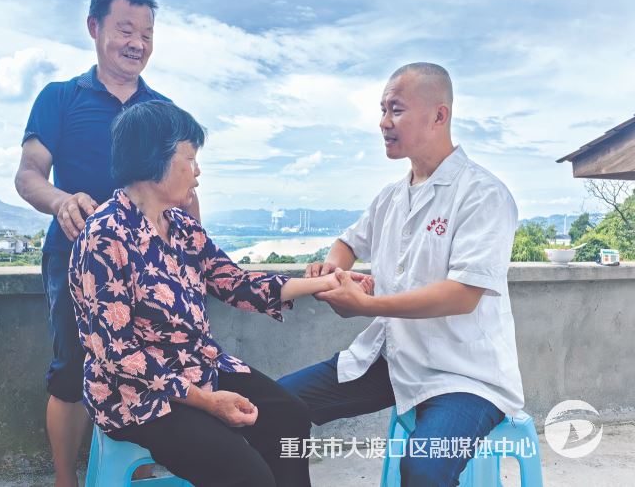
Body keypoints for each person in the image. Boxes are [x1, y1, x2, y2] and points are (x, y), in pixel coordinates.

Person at [68, 100, 373, 487]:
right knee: (247, 474)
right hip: (135, 396)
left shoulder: (181, 227)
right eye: (190, 158)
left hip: (197, 367)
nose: (197, 172)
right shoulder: (104, 237)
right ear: (154, 159)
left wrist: (326, 283)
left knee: (290, 417)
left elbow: (235, 282)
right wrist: (207, 402)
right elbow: (118, 355)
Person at [279, 62, 525, 487]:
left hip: (464, 374)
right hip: (394, 358)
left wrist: (367, 305)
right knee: (276, 407)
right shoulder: (391, 197)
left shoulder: (483, 194)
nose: (383, 122)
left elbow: (462, 294)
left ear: (438, 115)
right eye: (382, 110)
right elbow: (347, 244)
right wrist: (332, 271)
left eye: (395, 109)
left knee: (424, 467)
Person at [13, 0, 189, 486]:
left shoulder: (164, 111)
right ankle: (66, 480)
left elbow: (181, 188)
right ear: (94, 27)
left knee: (148, 366)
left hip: (148, 266)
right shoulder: (60, 98)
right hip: (74, 257)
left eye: (147, 34)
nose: (138, 43)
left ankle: (140, 472)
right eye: (126, 29)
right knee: (71, 372)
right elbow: (28, 174)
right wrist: (61, 201)